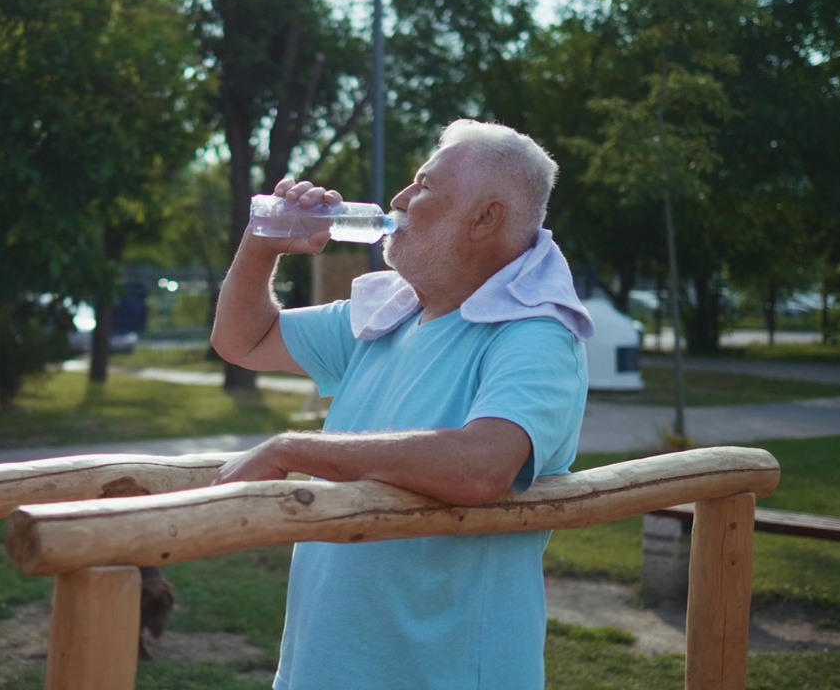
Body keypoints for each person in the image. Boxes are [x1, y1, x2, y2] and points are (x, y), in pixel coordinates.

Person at [210, 119, 593, 689]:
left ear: (486, 218)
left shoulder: (534, 332)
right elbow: (241, 339)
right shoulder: (390, 313)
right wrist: (262, 243)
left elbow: (482, 465)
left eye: (425, 185)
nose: (399, 199)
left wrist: (296, 448)